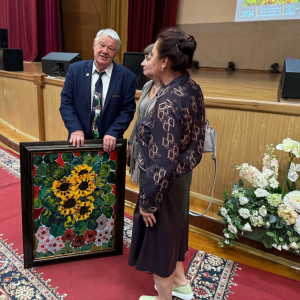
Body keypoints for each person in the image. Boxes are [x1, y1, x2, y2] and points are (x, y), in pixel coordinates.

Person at [128, 28, 206, 300]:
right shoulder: (191, 85)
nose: (147, 58)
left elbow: (162, 163)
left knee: (160, 243)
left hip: (165, 184)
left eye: (154, 52)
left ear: (164, 62)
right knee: (172, 235)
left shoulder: (167, 104)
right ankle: (182, 286)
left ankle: (164, 298)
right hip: (181, 178)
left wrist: (148, 202)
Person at [60, 28, 136, 152]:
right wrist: (75, 128)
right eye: (102, 45)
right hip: (79, 141)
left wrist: (114, 131)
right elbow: (66, 103)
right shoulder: (75, 70)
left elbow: (127, 110)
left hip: (109, 144)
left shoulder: (126, 77)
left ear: (115, 53)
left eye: (111, 49)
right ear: (94, 45)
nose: (105, 51)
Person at [126, 43, 163, 184]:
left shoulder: (169, 91)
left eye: (147, 59)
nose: (142, 63)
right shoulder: (148, 85)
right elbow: (140, 118)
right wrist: (131, 141)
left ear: (161, 62)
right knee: (143, 191)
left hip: (155, 155)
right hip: (140, 147)